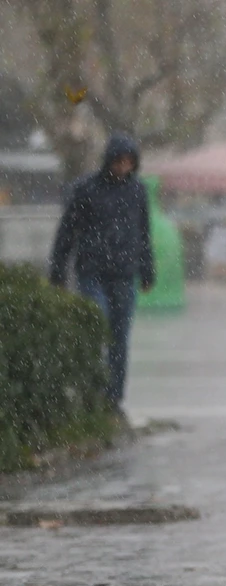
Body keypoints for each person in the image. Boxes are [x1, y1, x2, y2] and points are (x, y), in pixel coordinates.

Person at [48, 133, 154, 415]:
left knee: (120, 338)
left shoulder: (137, 191)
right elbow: (67, 232)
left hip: (123, 274)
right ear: (110, 161)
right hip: (92, 272)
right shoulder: (86, 189)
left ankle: (113, 398)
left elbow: (143, 233)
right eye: (119, 161)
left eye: (128, 162)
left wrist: (147, 270)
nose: (123, 167)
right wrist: (58, 270)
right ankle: (92, 391)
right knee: (97, 326)